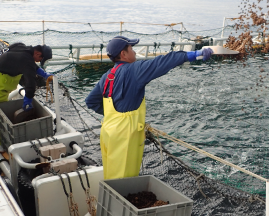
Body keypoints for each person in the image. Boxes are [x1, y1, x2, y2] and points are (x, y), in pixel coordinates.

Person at [85, 36, 213, 180]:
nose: (134, 52)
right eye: (131, 49)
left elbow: (91, 101)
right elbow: (161, 63)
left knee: (110, 174)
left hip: (107, 132)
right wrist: (194, 54)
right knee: (124, 179)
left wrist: (115, 115)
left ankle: (106, 201)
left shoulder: (107, 76)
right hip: (124, 136)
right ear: (123, 54)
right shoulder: (134, 70)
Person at [0, 42, 53, 152]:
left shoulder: (21, 46)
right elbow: (30, 83)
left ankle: (0, 136)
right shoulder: (26, 60)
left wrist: (41, 72)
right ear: (37, 52)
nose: (38, 61)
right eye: (39, 59)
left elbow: (25, 62)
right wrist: (28, 98)